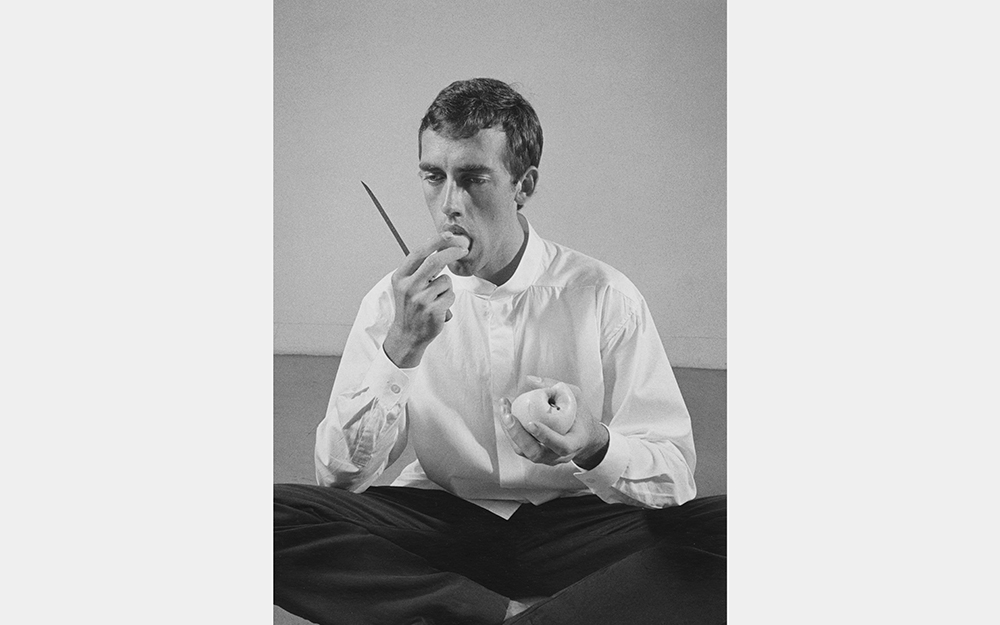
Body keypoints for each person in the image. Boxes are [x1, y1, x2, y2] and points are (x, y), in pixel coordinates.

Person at [274, 77, 726, 625]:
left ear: (523, 184)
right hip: (447, 524)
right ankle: (512, 616)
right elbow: (340, 479)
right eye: (433, 176)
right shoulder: (393, 303)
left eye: (473, 178)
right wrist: (401, 349)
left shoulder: (604, 296)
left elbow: (676, 478)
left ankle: (466, 615)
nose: (449, 206)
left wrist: (593, 443)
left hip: (577, 526)